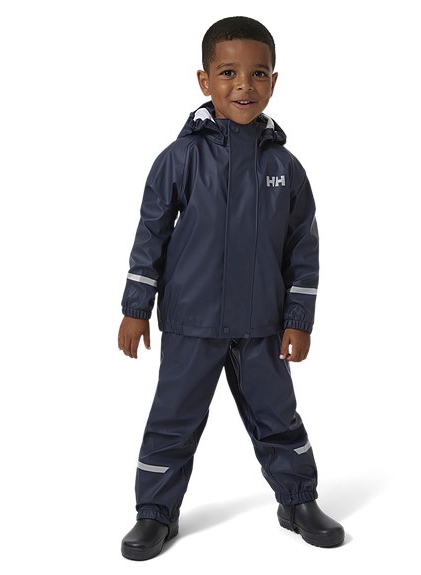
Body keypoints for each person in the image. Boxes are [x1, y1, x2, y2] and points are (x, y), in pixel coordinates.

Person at [118, 16, 344, 561]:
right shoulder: (180, 159)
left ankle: (298, 500)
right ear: (204, 80)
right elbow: (150, 235)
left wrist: (298, 320)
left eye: (258, 73)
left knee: (279, 418)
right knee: (173, 420)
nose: (244, 85)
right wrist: (135, 308)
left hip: (262, 324)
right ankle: (155, 513)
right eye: (228, 73)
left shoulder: (286, 168)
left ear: (273, 81)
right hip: (192, 321)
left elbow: (303, 249)